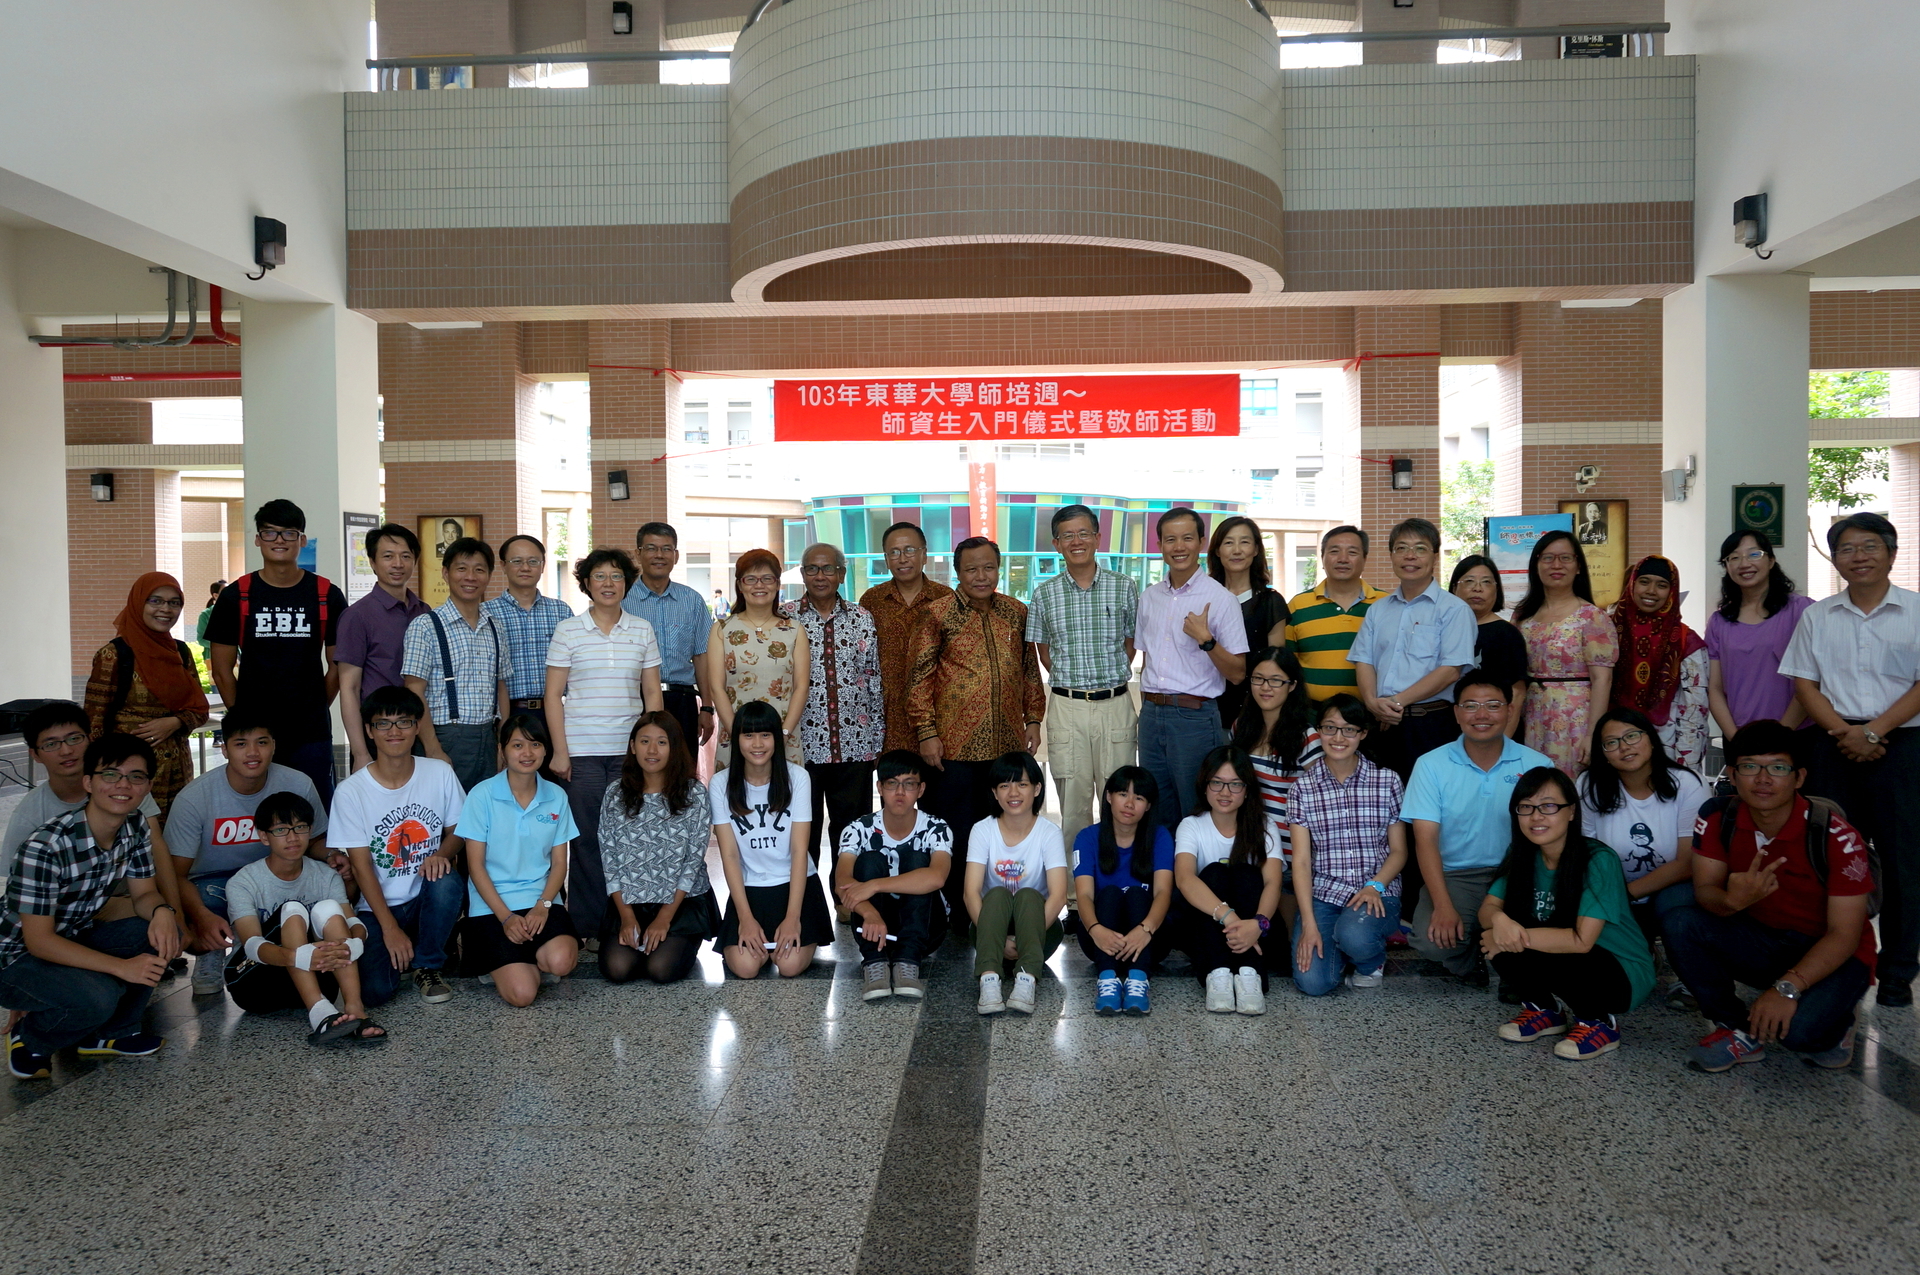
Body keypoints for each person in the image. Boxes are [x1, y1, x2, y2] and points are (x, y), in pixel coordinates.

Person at [1665, 720, 1877, 1072]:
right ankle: (1737, 1029)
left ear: (1799, 777)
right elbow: (1705, 892)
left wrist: (1787, 989)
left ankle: (1840, 1018)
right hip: (1763, 938)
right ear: (1732, 775)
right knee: (1680, 920)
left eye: (1778, 768)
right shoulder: (1718, 816)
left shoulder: (1835, 836)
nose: (1763, 779)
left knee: (1800, 1036)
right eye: (1749, 767)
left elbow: (1845, 934)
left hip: (1833, 952)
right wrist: (1732, 902)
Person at [1781, 511, 1920, 1008]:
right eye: (1846, 549)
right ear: (1835, 558)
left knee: (1906, 861)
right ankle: (1838, 960)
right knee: (1831, 859)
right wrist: (1844, 732)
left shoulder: (1916, 610)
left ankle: (1899, 969)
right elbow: (1802, 681)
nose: (1858, 557)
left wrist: (1875, 730)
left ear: (1890, 553)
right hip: (1835, 746)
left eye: (1868, 547)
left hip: (1902, 747)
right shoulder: (1819, 616)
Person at [0, 735, 179, 1080]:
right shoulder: (46, 846)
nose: (123, 785)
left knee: (159, 933)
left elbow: (144, 896)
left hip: (72, 936)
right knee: (100, 996)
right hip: (15, 958)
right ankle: (33, 1038)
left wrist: (163, 913)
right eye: (110, 775)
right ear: (88, 783)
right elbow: (39, 942)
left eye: (136, 777)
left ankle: (113, 1032)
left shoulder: (135, 826)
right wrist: (120, 967)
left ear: (148, 786)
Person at [909, 535, 1045, 918]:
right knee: (956, 830)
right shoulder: (937, 613)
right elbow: (918, 678)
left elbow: (1029, 671)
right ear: (957, 572)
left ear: (999, 569)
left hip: (1006, 747)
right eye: (971, 569)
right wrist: (926, 732)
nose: (981, 576)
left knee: (1005, 829)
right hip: (953, 748)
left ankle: (1001, 905)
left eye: (988, 568)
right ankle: (954, 909)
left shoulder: (1016, 611)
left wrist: (1033, 718)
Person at [1477, 767, 1655, 1061]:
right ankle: (1545, 1010)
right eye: (1526, 807)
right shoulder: (1522, 854)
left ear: (1571, 811)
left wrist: (1512, 937)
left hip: (1617, 971)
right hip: (1560, 952)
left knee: (1555, 952)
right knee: (1489, 937)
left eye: (1548, 806)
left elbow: (1581, 942)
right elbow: (1488, 908)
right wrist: (1499, 923)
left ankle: (1599, 1022)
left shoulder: (1598, 859)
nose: (1536, 817)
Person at [163, 701, 332, 997]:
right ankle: (211, 953)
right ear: (225, 749)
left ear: (274, 746)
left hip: (277, 874)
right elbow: (175, 875)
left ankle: (307, 951)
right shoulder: (195, 798)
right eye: (241, 744)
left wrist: (333, 858)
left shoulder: (297, 783)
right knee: (204, 895)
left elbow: (316, 840)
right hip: (215, 883)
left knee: (333, 875)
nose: (253, 753)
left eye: (262, 742)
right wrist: (200, 917)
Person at [1402, 669, 1555, 982]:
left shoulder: (1537, 765)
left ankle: (1513, 967)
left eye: (1493, 705)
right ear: (1456, 713)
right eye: (1470, 706)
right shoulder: (1432, 765)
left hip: (1518, 873)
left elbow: (1552, 837)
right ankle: (1476, 958)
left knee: (1537, 932)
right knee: (1434, 940)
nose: (1481, 715)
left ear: (1510, 710)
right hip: (1458, 875)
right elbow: (1425, 840)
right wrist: (1443, 905)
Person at [545, 547, 664, 945]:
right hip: (581, 751)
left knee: (633, 837)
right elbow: (553, 696)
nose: (608, 583)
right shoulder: (568, 630)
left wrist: (654, 747)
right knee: (587, 841)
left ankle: (630, 922)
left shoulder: (642, 629)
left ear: (627, 583)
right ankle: (589, 926)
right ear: (587, 584)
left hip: (630, 754)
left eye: (616, 576)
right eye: (600, 576)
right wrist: (560, 751)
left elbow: (652, 694)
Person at [4, 703, 186, 957]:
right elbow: (18, 895)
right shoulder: (31, 819)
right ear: (35, 754)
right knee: (101, 991)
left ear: (89, 739)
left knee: (161, 925)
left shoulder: (126, 790)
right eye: (51, 744)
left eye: (74, 738)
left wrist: (172, 915)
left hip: (106, 899)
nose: (66, 750)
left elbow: (157, 851)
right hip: (51, 915)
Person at [331, 686, 467, 1007]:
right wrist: (390, 929)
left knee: (446, 879)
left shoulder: (439, 773)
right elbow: (361, 866)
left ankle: (427, 964)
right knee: (376, 993)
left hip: (426, 896)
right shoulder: (351, 791)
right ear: (369, 730)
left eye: (404, 722)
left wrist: (441, 854)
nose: (394, 731)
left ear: (417, 727)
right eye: (383, 723)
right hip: (377, 908)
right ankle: (407, 946)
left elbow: (461, 830)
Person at [205, 499, 348, 803]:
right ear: (258, 539)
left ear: (302, 540)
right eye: (270, 533)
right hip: (256, 733)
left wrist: (316, 705)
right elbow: (220, 668)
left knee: (315, 806)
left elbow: (338, 665)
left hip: (310, 730)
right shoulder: (236, 595)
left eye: (289, 533)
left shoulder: (326, 594)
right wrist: (243, 719)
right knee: (256, 807)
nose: (279, 541)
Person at [221, 791, 385, 1047]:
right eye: (281, 830)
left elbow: (353, 923)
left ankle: (355, 1009)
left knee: (328, 908)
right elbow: (251, 945)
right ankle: (319, 1014)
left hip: (317, 975)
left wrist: (355, 943)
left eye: (300, 828)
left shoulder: (324, 875)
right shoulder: (244, 881)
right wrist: (296, 956)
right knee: (293, 910)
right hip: (255, 983)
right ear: (263, 836)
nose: (292, 837)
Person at [1026, 504, 1139, 850]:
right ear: (1056, 544)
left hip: (1115, 704)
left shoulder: (1125, 587)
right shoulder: (1044, 594)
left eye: (1084, 533)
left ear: (1098, 538)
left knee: (1121, 802)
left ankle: (1117, 884)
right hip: (1067, 706)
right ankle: (1076, 895)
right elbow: (1043, 653)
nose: (1077, 541)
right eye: (1067, 535)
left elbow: (1131, 645)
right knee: (1073, 807)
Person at [1579, 708, 1708, 1009]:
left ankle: (1690, 976)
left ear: (1651, 739)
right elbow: (1589, 854)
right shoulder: (1588, 785)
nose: (1624, 747)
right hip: (1612, 891)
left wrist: (1625, 895)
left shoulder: (1687, 784)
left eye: (1632, 736)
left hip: (1666, 890)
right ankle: (1642, 952)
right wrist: (1611, 897)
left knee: (1677, 903)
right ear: (1603, 753)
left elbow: (1688, 863)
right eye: (1611, 742)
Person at [1137, 507, 1249, 832]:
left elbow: (1239, 673)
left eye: (1187, 538)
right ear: (1160, 545)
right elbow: (1147, 660)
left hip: (1194, 718)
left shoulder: (1221, 599)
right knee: (1156, 808)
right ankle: (1166, 882)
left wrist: (1206, 640)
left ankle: (1199, 880)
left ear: (1201, 542)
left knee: (1196, 808)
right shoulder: (1150, 597)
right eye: (1170, 539)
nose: (1179, 546)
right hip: (1151, 714)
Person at [457, 713, 580, 1007]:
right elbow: (475, 867)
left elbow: (559, 864)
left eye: (535, 744)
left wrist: (543, 906)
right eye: (517, 745)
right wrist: (507, 917)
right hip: (492, 905)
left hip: (540, 900)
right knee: (523, 995)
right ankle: (504, 962)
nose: (527, 753)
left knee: (562, 962)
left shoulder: (556, 796)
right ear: (502, 750)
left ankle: (525, 959)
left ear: (545, 750)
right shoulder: (481, 795)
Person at [1289, 695, 1408, 996]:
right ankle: (1340, 947)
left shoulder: (1388, 781)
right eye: (1329, 728)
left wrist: (1376, 886)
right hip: (1325, 893)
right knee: (1313, 983)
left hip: (1377, 891)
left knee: (1355, 934)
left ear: (1363, 733)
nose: (1338, 738)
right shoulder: (1302, 788)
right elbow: (1301, 862)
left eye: (1349, 729)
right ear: (1318, 732)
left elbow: (1399, 851)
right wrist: (1309, 925)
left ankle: (1369, 961)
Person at [1349, 518, 1476, 781]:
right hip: (1381, 723)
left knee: (1429, 805)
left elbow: (1451, 670)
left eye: (1420, 548)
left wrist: (1395, 703)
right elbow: (1364, 661)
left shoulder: (1453, 609)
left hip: (1431, 724)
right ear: (1392, 556)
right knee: (1384, 806)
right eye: (1401, 548)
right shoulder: (1378, 609)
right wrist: (1373, 703)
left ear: (1435, 556)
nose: (1410, 556)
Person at [711, 699, 829, 979]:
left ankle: (791, 933)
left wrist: (792, 918)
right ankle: (759, 938)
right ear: (736, 739)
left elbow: (800, 852)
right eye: (748, 735)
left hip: (795, 887)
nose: (757, 744)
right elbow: (728, 855)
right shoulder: (720, 784)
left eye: (766, 735)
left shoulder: (797, 778)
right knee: (745, 968)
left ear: (778, 738)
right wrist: (746, 918)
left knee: (788, 966)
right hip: (750, 891)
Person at [783, 542, 884, 871]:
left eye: (828, 568)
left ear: (841, 573)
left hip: (854, 747)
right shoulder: (785, 618)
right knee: (802, 831)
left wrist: (877, 738)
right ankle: (805, 900)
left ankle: (848, 900)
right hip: (801, 748)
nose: (820, 575)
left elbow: (872, 678)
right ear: (802, 574)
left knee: (853, 831)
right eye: (812, 569)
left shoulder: (861, 618)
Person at [600, 712, 719, 986]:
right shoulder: (615, 793)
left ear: (674, 747)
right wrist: (627, 916)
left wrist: (665, 918)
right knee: (617, 968)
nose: (652, 750)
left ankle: (679, 942)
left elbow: (693, 861)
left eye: (662, 742)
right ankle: (646, 940)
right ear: (632, 746)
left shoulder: (694, 794)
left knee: (660, 969)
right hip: (630, 901)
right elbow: (609, 858)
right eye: (644, 741)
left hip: (679, 904)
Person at [84, 572, 209, 814]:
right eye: (156, 601)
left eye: (175, 602)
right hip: (129, 777)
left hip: (177, 773)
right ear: (138, 603)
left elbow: (199, 710)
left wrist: (174, 722)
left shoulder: (180, 653)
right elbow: (94, 724)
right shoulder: (114, 655)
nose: (166, 609)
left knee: (175, 839)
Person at [836, 750, 953, 1002]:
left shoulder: (936, 827)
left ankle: (908, 962)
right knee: (870, 859)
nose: (900, 793)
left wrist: (874, 886)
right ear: (879, 787)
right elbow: (842, 882)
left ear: (921, 789)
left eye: (909, 784)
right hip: (873, 926)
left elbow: (937, 878)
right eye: (892, 784)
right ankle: (874, 962)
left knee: (917, 859)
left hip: (926, 928)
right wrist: (870, 913)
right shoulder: (858, 828)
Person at [1173, 746, 1281, 1015]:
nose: (1225, 792)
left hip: (1255, 928)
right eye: (1217, 783)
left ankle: (1249, 976)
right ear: (1205, 785)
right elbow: (1185, 879)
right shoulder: (1191, 825)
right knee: (1214, 874)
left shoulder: (1265, 826)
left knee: (1246, 875)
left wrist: (1258, 924)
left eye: (1234, 785)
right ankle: (1217, 975)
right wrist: (1230, 918)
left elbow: (1273, 883)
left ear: (1247, 789)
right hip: (1206, 928)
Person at [401, 535, 512, 792]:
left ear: (489, 576)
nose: (470, 577)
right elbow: (414, 691)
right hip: (444, 736)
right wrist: (433, 748)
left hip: (488, 736)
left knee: (484, 818)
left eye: (479, 570)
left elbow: (501, 686)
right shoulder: (425, 626)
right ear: (445, 573)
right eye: (461, 568)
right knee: (446, 821)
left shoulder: (495, 626)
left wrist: (502, 744)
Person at [965, 751, 1068, 1016]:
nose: (1013, 792)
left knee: (1029, 895)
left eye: (1022, 784)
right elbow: (971, 893)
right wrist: (997, 940)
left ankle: (1026, 981)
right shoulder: (982, 829)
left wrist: (1023, 940)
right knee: (997, 894)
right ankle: (989, 982)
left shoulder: (1049, 832)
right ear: (995, 792)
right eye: (1004, 785)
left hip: (1038, 930)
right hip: (988, 928)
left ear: (1037, 789)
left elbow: (1058, 896)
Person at [1231, 646, 1323, 935]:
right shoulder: (1241, 727)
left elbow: (1321, 800)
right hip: (1252, 846)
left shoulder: (1305, 737)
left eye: (1276, 680)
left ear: (1292, 685)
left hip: (1292, 853)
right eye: (1258, 679)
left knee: (1290, 946)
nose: (1265, 688)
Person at [1513, 530, 1618, 773]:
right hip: (1529, 715)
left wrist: (1593, 735)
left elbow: (1603, 679)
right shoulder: (1522, 617)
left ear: (1578, 566)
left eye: (1565, 558)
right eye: (1547, 558)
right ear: (1536, 565)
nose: (1556, 565)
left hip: (1574, 721)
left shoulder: (1592, 617)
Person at [1071, 766, 1173, 1017]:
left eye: (1139, 798)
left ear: (1148, 806)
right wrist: (1096, 930)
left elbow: (1163, 893)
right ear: (1108, 797)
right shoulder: (1087, 837)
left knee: (1138, 895)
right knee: (1110, 894)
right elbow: (1083, 896)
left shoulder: (1160, 836)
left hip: (1151, 938)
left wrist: (1145, 930)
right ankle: (1107, 980)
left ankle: (1139, 981)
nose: (1129, 804)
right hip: (1100, 938)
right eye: (1122, 794)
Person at [336, 523, 431, 773]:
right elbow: (349, 687)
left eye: (406, 556)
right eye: (388, 556)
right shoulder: (357, 616)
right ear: (373, 563)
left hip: (418, 730)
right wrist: (360, 752)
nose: (398, 564)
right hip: (379, 733)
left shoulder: (425, 612)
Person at [622, 522, 720, 755]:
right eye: (651, 548)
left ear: (675, 556)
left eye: (666, 549)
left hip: (682, 700)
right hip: (634, 700)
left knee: (682, 773)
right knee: (636, 771)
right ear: (638, 553)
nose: (659, 555)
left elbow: (701, 656)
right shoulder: (622, 600)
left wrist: (706, 707)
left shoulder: (692, 600)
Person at [858, 521, 955, 753]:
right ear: (886, 558)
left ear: (924, 555)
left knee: (937, 788)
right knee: (895, 788)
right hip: (887, 720)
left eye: (910, 550)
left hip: (937, 720)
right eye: (894, 552)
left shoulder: (947, 599)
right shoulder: (871, 601)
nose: (902, 559)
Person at [706, 549, 808, 766]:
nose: (759, 585)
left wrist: (784, 734)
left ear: (777, 584)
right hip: (736, 739)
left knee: (785, 796)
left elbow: (801, 687)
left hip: (784, 739)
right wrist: (740, 737)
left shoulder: (794, 630)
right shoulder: (721, 630)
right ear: (740, 586)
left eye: (767, 579)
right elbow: (717, 688)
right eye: (751, 579)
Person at [1609, 556, 1709, 772]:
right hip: (1611, 745)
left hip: (1665, 748)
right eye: (1644, 581)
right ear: (1632, 583)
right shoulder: (1606, 630)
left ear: (1672, 591)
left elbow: (1694, 709)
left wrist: (1687, 768)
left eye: (1662, 585)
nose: (1652, 591)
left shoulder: (1685, 640)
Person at [1706, 530, 1811, 736]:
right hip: (1739, 736)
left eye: (1754, 554)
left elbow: (1811, 682)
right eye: (1734, 557)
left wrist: (1780, 737)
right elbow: (1715, 689)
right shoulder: (1719, 622)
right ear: (1727, 567)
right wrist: (1735, 738)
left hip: (1795, 734)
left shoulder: (1801, 611)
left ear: (1771, 561)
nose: (1744, 563)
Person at [485, 533, 575, 745]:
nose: (525, 568)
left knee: (556, 775)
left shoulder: (560, 611)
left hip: (555, 714)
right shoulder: (486, 613)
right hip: (507, 715)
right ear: (503, 565)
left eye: (533, 561)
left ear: (542, 566)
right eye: (517, 561)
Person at [1285, 526, 1385, 704]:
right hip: (1312, 716)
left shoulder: (1385, 604)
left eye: (1352, 552)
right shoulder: (1298, 606)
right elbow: (1287, 666)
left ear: (1365, 559)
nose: (1343, 559)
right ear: (1322, 558)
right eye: (1334, 551)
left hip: (1371, 716)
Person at [1208, 514, 1291, 728]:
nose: (1237, 550)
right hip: (1206, 708)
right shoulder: (1204, 599)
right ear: (1217, 550)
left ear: (1255, 550)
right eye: (1228, 542)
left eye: (1244, 542)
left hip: (1254, 710)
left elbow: (1277, 663)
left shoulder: (1270, 601)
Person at [1448, 554, 1527, 737]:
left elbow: (1517, 692)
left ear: (1497, 591)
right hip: (1446, 729)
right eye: (1469, 581)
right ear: (1454, 588)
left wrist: (1502, 742)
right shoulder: (1444, 630)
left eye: (1486, 582)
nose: (1477, 588)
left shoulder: (1507, 634)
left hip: (1492, 730)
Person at [195, 579, 224, 666]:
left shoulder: (236, 612)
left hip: (236, 656)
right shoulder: (205, 615)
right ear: (215, 595)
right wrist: (223, 645)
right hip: (213, 658)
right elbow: (201, 639)